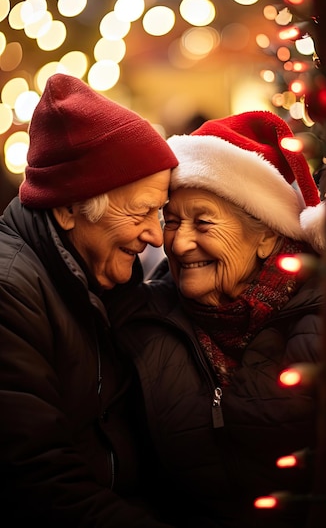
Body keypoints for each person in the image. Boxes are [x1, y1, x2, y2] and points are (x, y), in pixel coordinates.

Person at [117, 111, 326, 528]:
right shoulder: (143, 324)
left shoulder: (325, 321)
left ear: (266, 234)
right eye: (171, 221)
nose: (177, 242)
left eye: (203, 221)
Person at [0, 73, 180, 528]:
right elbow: (39, 481)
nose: (157, 235)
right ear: (67, 209)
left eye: (159, 213)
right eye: (140, 212)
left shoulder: (104, 283)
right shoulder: (10, 291)